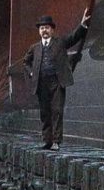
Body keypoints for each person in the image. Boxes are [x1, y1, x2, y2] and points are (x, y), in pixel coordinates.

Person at [23, 10, 90, 150]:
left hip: (57, 82)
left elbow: (74, 37)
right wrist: (31, 73)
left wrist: (83, 24)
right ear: (39, 31)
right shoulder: (34, 48)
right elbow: (26, 62)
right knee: (44, 112)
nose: (44, 30)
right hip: (41, 83)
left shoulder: (60, 42)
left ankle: (56, 141)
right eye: (42, 28)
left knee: (57, 111)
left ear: (52, 30)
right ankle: (46, 140)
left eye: (47, 27)